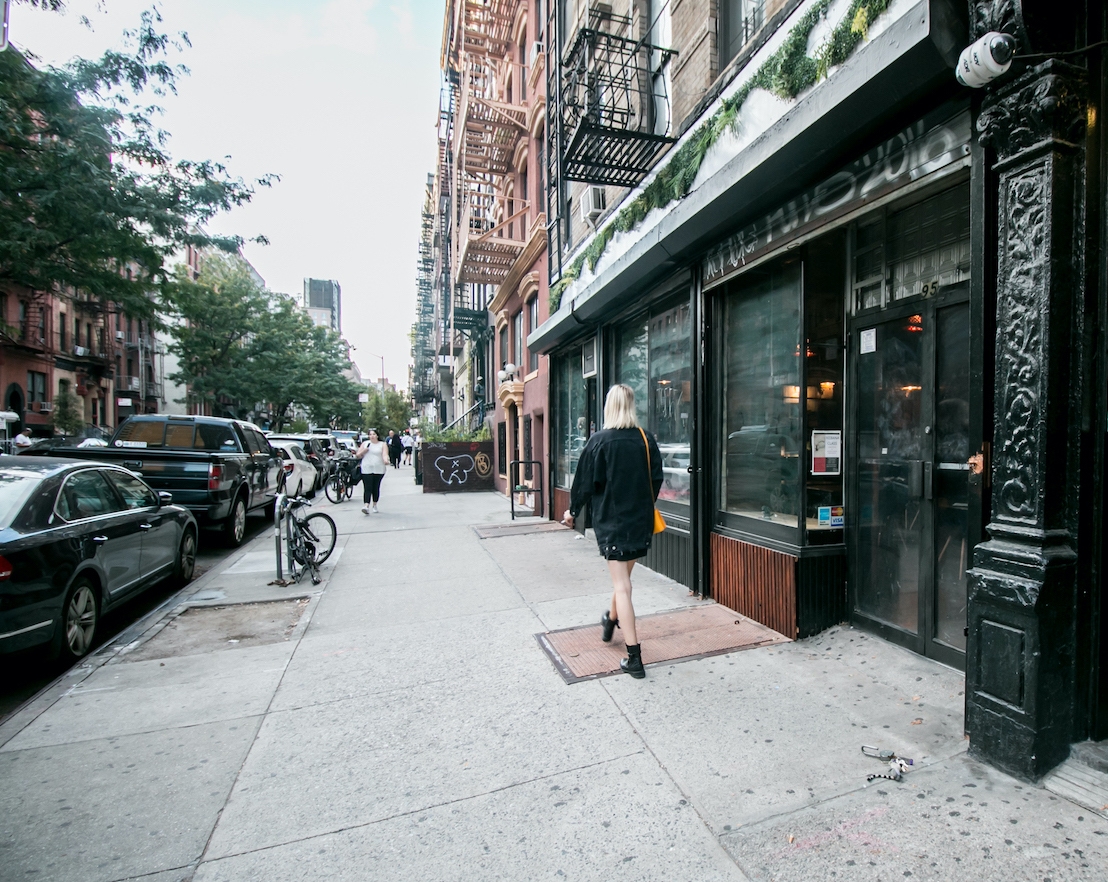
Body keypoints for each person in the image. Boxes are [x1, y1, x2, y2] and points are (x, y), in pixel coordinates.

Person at [563, 384, 662, 679]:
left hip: (614, 524)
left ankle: (634, 658)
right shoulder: (646, 439)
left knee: (623, 587)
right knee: (624, 580)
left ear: (609, 407)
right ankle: (611, 619)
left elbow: (583, 483)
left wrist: (572, 511)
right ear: (632, 406)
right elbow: (656, 479)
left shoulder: (599, 441)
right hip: (641, 523)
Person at [354, 429, 388, 513]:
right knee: (367, 487)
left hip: (379, 468)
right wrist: (363, 451)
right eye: (370, 434)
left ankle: (375, 504)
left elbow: (385, 454)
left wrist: (386, 460)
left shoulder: (382, 444)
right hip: (366, 468)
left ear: (377, 435)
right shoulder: (365, 444)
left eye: (374, 434)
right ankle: (366, 505)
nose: (372, 436)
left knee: (375, 487)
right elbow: (357, 455)